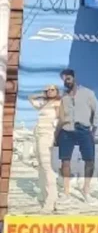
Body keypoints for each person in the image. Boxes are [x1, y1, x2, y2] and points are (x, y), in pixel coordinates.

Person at [58, 68, 98, 203]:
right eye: (64, 80)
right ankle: (66, 193)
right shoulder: (63, 96)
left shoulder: (87, 93)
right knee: (65, 161)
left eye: (68, 78)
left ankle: (86, 190)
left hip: (84, 129)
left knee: (89, 161)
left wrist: (94, 130)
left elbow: (97, 111)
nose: (66, 81)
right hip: (67, 130)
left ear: (74, 78)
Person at [28, 84, 61, 212]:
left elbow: (60, 120)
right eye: (47, 90)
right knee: (41, 166)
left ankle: (51, 200)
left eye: (52, 89)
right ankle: (43, 195)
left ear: (57, 91)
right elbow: (30, 98)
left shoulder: (58, 103)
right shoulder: (44, 103)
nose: (50, 91)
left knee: (47, 167)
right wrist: (41, 94)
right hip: (38, 133)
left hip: (47, 135)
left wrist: (56, 136)